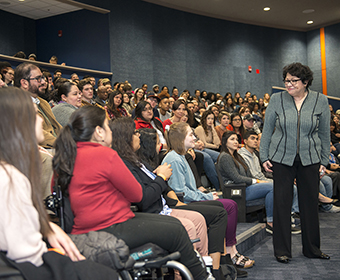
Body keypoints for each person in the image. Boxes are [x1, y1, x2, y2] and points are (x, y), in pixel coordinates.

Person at [52, 105, 211, 280]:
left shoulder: (65, 156)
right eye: (107, 126)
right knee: (177, 231)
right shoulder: (105, 154)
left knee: (173, 224)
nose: (110, 132)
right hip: (108, 226)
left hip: (83, 229)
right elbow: (137, 196)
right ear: (99, 131)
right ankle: (203, 277)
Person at [0, 87, 117, 279]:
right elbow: (25, 252)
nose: (41, 120)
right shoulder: (10, 178)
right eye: (35, 114)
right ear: (19, 122)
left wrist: (47, 227)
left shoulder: (9, 172)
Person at [260, 62, 330, 263]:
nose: (288, 84)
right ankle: (282, 250)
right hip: (281, 158)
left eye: (293, 81)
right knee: (282, 203)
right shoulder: (276, 99)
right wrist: (264, 156)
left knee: (309, 204)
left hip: (311, 159)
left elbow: (325, 134)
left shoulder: (320, 100)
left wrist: (323, 161)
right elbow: (267, 131)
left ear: (305, 82)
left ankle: (312, 249)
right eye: (286, 81)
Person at [162, 122, 255, 271]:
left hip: (189, 199)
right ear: (180, 138)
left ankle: (228, 254)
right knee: (227, 206)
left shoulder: (181, 157)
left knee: (228, 204)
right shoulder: (174, 158)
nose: (194, 138)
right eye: (190, 134)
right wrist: (206, 197)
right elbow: (181, 193)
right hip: (181, 204)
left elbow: (188, 189)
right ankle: (226, 257)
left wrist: (205, 195)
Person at [14, 62, 62, 149]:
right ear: (24, 83)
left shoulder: (43, 102)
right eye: (38, 79)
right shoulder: (16, 103)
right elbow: (36, 133)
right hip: (41, 149)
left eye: (42, 78)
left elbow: (57, 127)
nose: (43, 82)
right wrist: (63, 144)